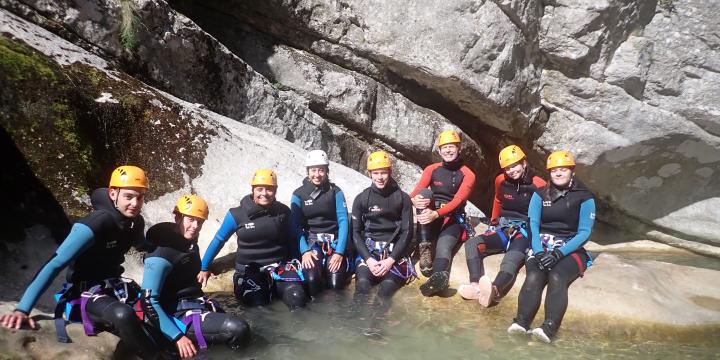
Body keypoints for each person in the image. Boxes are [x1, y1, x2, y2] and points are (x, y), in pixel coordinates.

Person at [0, 166, 158, 359]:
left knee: (155, 308)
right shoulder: (95, 223)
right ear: (113, 193)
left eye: (140, 197)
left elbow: (144, 246)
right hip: (85, 293)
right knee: (122, 315)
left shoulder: (134, 222)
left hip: (114, 287)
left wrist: (173, 240)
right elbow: (54, 264)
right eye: (129, 196)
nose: (135, 203)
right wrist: (23, 309)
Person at [141, 194, 250, 359]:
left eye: (200, 222)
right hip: (175, 315)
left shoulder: (189, 244)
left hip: (194, 305)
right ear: (177, 216)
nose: (195, 226)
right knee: (238, 328)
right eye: (190, 220)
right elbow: (148, 301)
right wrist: (177, 337)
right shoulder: (161, 254)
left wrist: (204, 269)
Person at [508, 151, 596, 343]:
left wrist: (558, 253)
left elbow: (584, 232)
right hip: (542, 243)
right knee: (534, 275)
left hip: (571, 247)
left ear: (572, 171)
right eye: (554, 170)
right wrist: (539, 251)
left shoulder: (585, 197)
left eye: (563, 169)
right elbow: (533, 224)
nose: (558, 173)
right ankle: (521, 322)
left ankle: (549, 328)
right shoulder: (540, 195)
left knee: (557, 275)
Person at [197, 169, 308, 310]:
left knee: (297, 297)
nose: (264, 193)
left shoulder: (283, 211)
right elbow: (219, 240)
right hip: (248, 272)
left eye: (269, 189)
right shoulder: (237, 214)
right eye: (259, 189)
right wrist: (204, 267)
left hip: (279, 268)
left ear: (275, 190)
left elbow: (295, 234)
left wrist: (306, 252)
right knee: (259, 308)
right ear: (253, 190)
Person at [459, 145, 546, 307]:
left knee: (510, 259)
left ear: (524, 163)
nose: (511, 170)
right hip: (504, 228)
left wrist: (539, 237)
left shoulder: (538, 184)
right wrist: (493, 222)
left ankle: (494, 290)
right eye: (507, 168)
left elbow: (546, 211)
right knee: (472, 244)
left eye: (514, 166)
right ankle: (476, 286)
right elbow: (498, 200)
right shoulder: (501, 180)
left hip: (525, 232)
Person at [409, 130, 476, 297]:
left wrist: (437, 214)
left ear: (459, 148)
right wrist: (413, 200)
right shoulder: (432, 169)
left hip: (452, 218)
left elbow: (458, 201)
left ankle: (439, 277)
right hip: (431, 216)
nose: (448, 150)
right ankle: (424, 248)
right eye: (444, 147)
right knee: (423, 194)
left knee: (444, 246)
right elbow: (415, 191)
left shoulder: (468, 174)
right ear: (439, 151)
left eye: (451, 147)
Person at [352, 151, 414, 300]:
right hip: (370, 254)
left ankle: (378, 322)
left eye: (383, 173)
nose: (380, 177)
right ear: (369, 173)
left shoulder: (402, 198)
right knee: (362, 287)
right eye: (376, 173)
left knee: (385, 291)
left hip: (394, 256)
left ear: (390, 172)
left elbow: (407, 232)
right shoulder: (362, 199)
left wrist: (390, 260)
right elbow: (355, 232)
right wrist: (368, 259)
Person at [290, 150, 351, 296]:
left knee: (336, 284)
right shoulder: (298, 194)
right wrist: (305, 251)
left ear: (327, 171)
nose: (317, 174)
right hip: (313, 244)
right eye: (313, 170)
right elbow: (295, 225)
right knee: (311, 279)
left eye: (321, 170)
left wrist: (339, 252)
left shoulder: (336, 192)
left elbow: (343, 222)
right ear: (308, 171)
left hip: (334, 243)